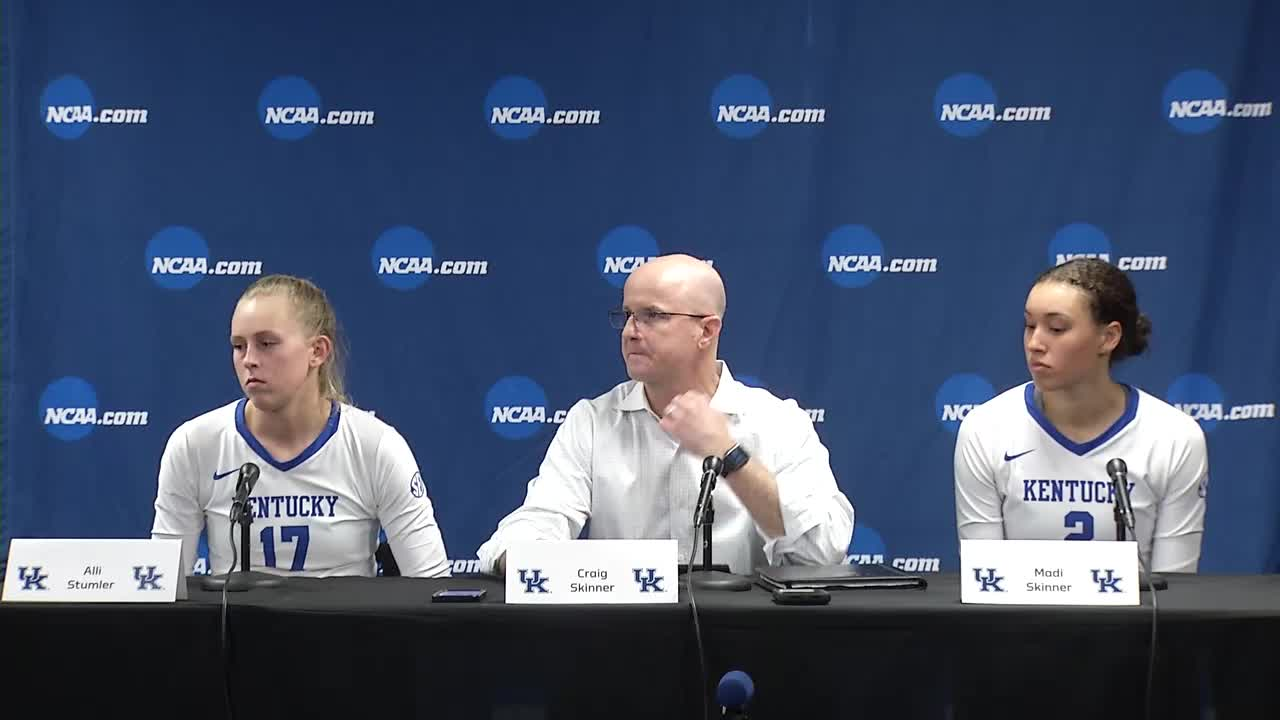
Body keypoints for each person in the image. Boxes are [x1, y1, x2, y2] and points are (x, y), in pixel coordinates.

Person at [477, 254, 854, 575]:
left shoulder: (777, 423)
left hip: (746, 646)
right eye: (626, 315)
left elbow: (821, 552)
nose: (629, 332)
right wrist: (521, 557)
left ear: (706, 331)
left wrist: (731, 455)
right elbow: (537, 522)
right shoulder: (592, 421)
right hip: (622, 641)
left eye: (652, 316)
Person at [151, 274, 450, 578]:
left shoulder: (376, 447)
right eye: (239, 346)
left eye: (267, 343)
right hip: (233, 627)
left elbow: (431, 584)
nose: (249, 360)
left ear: (318, 351)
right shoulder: (194, 444)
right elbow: (160, 584)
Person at [954, 258, 1208, 573]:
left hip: (1137, 623)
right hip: (1019, 623)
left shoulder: (1175, 437)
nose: (1035, 344)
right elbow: (985, 579)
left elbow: (1175, 591)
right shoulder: (985, 430)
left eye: (1056, 328)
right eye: (1030, 325)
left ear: (1109, 338)